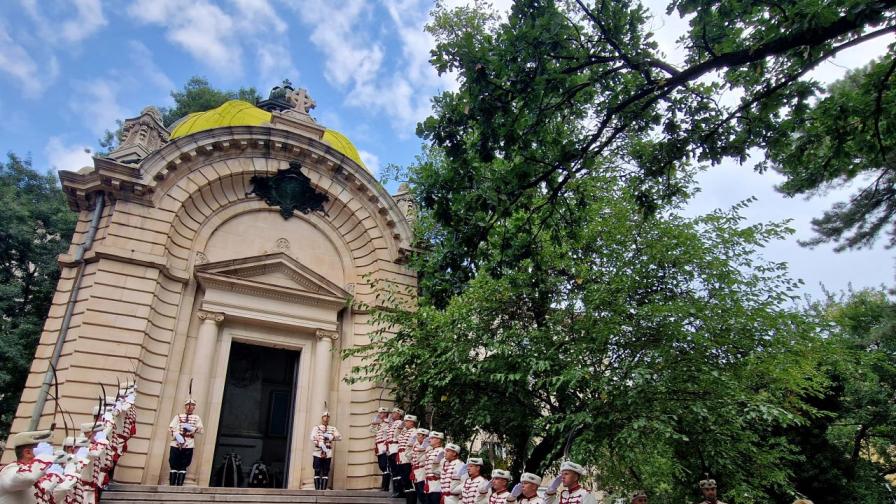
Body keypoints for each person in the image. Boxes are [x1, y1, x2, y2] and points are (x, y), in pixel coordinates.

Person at [0, 430, 71, 504]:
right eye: (45, 449)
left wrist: (54, 475)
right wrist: (44, 457)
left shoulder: (37, 474)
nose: (51, 455)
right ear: (28, 453)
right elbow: (27, 478)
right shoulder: (9, 471)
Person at [167, 398, 204, 486]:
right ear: (185, 406)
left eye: (192, 406)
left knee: (184, 463)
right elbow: (171, 427)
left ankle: (180, 484)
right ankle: (172, 484)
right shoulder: (178, 416)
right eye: (188, 405)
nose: (189, 407)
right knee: (173, 461)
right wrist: (177, 435)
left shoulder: (196, 418)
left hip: (188, 442)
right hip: (176, 442)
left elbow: (201, 430)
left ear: (194, 407)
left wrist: (192, 428)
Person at [310, 410, 342, 490]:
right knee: (317, 470)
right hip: (318, 451)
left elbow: (340, 437)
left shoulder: (332, 428)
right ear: (322, 418)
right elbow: (312, 437)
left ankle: (323, 490)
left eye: (327, 417)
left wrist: (332, 437)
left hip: (328, 452)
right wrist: (318, 442)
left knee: (325, 471)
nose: (326, 418)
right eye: (325, 416)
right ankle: (317, 490)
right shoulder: (316, 428)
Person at [395, 414, 418, 503]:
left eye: (407, 421)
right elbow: (396, 437)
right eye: (404, 421)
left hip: (407, 458)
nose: (405, 423)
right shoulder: (404, 431)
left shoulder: (414, 432)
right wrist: (399, 429)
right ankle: (408, 498)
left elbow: (413, 446)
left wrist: (410, 457)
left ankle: (411, 501)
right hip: (401, 457)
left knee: (408, 479)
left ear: (412, 422)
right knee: (404, 479)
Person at [371, 407, 392, 492]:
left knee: (385, 466)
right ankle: (384, 486)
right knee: (382, 466)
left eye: (381, 413)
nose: (379, 415)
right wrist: (373, 423)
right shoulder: (380, 424)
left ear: (385, 414)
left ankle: (385, 486)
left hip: (384, 446)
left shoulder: (388, 423)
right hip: (379, 447)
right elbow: (372, 430)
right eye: (379, 413)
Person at [386, 407, 405, 496]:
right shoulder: (392, 424)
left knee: (397, 470)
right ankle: (395, 490)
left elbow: (399, 436)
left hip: (395, 447)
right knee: (393, 470)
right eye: (392, 413)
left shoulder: (401, 423)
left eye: (394, 413)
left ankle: (399, 490)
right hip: (390, 448)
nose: (392, 414)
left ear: (399, 415)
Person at [423, 432, 446, 504]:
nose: (430, 440)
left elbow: (443, 468)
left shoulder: (441, 452)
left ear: (438, 440)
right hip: (428, 484)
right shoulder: (431, 452)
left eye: (432, 438)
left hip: (436, 484)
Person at [411, 428, 431, 504]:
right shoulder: (415, 445)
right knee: (418, 491)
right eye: (417, 435)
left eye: (419, 435)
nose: (417, 437)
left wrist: (423, 447)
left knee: (423, 491)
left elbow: (423, 459)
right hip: (415, 470)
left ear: (424, 437)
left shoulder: (428, 447)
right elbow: (410, 456)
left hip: (422, 470)